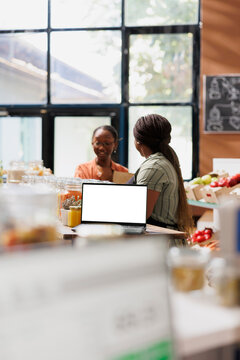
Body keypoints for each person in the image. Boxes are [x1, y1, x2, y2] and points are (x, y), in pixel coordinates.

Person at [133, 114, 193, 237]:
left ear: (138, 142)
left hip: (161, 245)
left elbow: (141, 214)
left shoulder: (153, 167)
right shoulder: (162, 161)